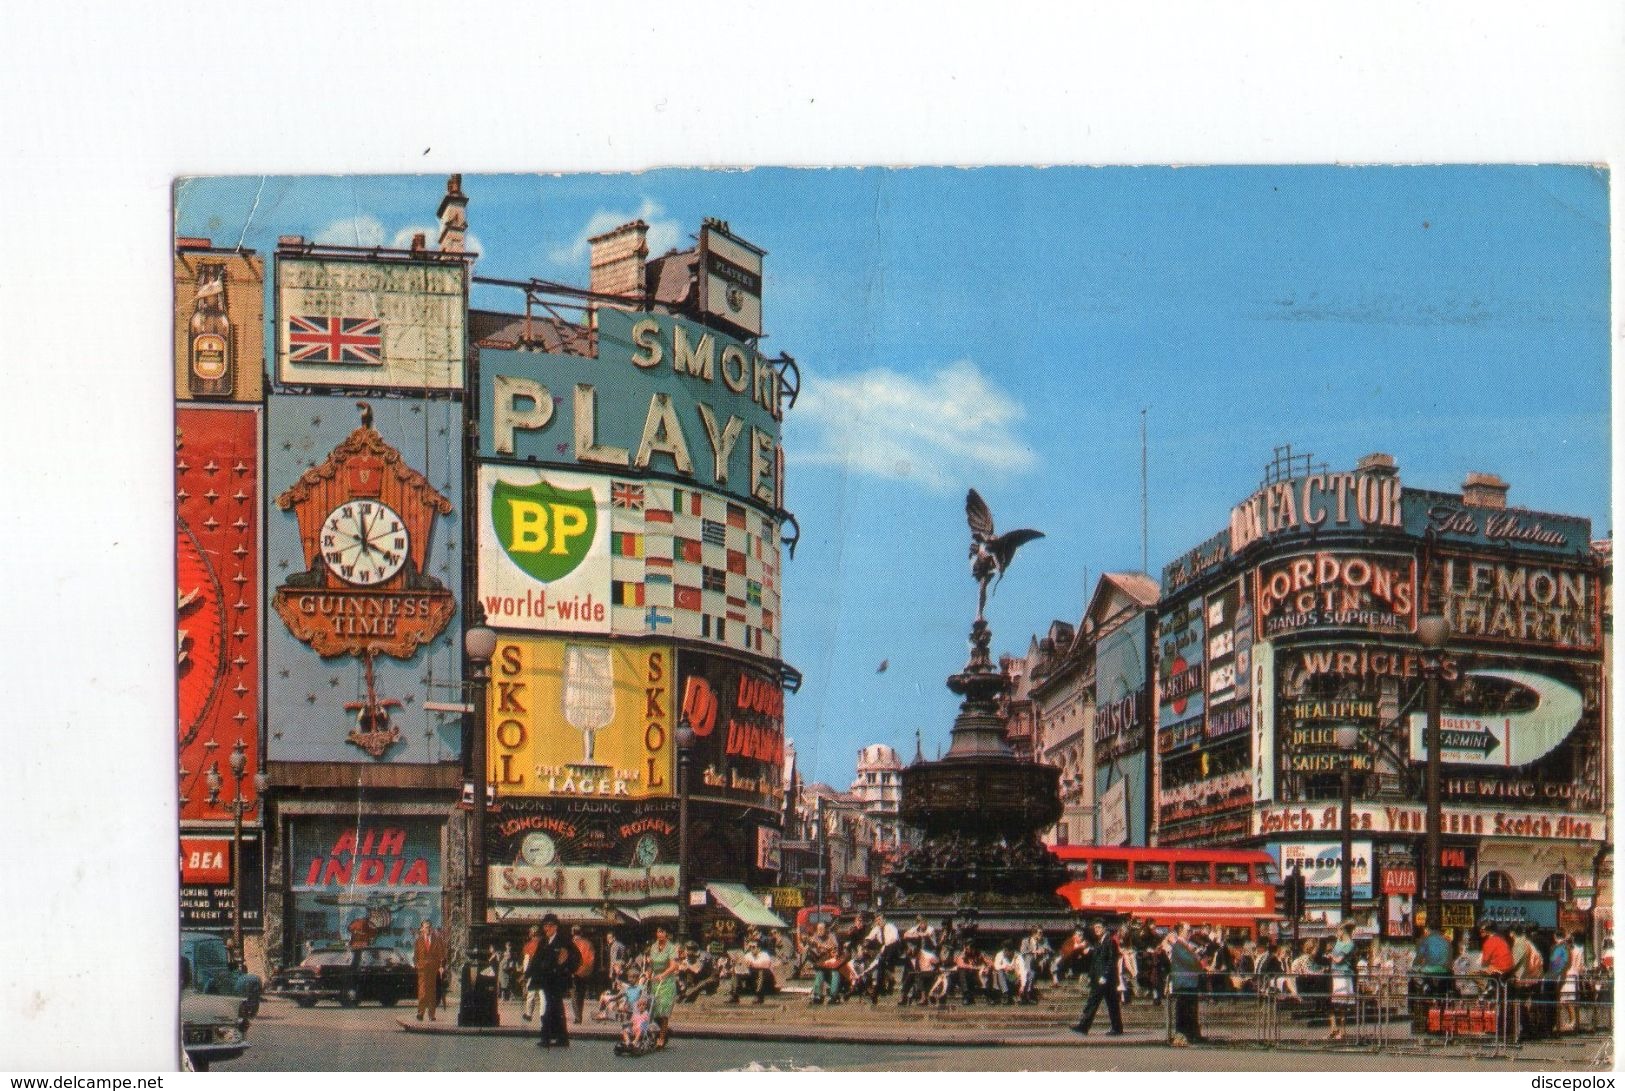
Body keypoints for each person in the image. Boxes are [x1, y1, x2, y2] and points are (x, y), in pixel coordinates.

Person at [526, 913, 580, 1049]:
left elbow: (576, 957)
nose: (546, 929)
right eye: (545, 926)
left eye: (549, 926)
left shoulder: (564, 940)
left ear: (555, 927)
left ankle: (546, 1037)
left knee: (550, 1007)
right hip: (546, 980)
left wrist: (567, 968)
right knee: (556, 1008)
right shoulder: (543, 941)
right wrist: (528, 974)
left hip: (558, 980)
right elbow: (536, 961)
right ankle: (562, 1038)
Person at [1071, 921, 1124, 1036]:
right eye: (1095, 927)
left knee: (1094, 1002)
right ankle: (1117, 1028)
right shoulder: (1099, 942)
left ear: (1105, 928)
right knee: (1111, 1003)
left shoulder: (1109, 941)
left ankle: (1083, 1026)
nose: (1097, 929)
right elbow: (1096, 959)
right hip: (1099, 978)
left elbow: (1111, 959)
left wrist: (1105, 975)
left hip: (1105, 978)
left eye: (1099, 927)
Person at [1165, 922, 1205, 1044]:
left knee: (1192, 1010)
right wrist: (1199, 962)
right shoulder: (1178, 945)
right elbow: (1190, 961)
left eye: (1191, 931)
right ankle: (1183, 1035)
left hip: (1190, 981)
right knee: (1184, 1010)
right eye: (1188, 931)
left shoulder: (1186, 945)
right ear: (1181, 931)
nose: (1190, 933)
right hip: (1183, 982)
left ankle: (1193, 1034)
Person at [646, 925, 681, 1048]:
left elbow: (673, 966)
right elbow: (651, 965)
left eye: (662, 931)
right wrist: (647, 974)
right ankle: (662, 1032)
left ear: (667, 934)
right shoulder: (653, 947)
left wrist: (663, 974)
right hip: (656, 982)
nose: (659, 934)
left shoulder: (672, 948)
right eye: (658, 931)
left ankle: (661, 1038)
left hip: (667, 982)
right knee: (654, 1011)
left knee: (664, 1012)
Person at [1326, 923, 1356, 1041]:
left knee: (1342, 1004)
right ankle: (1336, 1029)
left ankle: (1342, 1030)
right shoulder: (1339, 942)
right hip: (1335, 974)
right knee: (1336, 1004)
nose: (1336, 933)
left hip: (1343, 975)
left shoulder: (1349, 944)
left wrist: (1330, 956)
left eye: (1338, 931)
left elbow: (1338, 959)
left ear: (1343, 931)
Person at [412, 920, 446, 1022]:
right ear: (422, 929)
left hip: (433, 969)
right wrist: (417, 965)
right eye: (426, 927)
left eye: (429, 927)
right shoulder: (418, 941)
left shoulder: (437, 939)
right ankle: (420, 1013)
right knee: (422, 991)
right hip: (422, 969)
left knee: (431, 992)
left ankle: (431, 1015)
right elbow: (415, 956)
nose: (428, 929)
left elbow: (441, 955)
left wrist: (441, 967)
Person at [729, 937, 778, 1003]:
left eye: (753, 947)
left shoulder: (764, 955)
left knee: (761, 971)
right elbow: (742, 964)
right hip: (752, 974)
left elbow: (765, 965)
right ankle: (734, 996)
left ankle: (759, 996)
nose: (751, 949)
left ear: (759, 948)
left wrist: (751, 964)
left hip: (766, 977)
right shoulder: (748, 955)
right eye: (750, 947)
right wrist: (735, 963)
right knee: (736, 971)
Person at [1413, 922, 1453, 999]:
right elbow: (1450, 960)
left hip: (1429, 972)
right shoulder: (1447, 941)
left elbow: (1419, 958)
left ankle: (1422, 994)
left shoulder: (1425, 940)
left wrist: (1414, 965)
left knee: (1413, 974)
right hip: (1445, 973)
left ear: (1428, 929)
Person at [805, 922, 841, 1005]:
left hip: (831, 961)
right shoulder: (814, 938)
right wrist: (819, 947)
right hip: (821, 962)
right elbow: (813, 951)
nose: (820, 931)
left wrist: (826, 948)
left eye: (822, 929)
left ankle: (834, 996)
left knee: (835, 972)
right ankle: (818, 995)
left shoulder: (831, 936)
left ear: (826, 930)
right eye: (818, 929)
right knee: (820, 972)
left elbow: (835, 950)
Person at [569, 926, 596, 1024]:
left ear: (573, 932)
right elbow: (591, 959)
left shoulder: (571, 944)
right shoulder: (588, 943)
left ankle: (577, 1017)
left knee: (574, 995)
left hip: (574, 973)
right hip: (585, 972)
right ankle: (579, 1015)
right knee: (581, 994)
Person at [519, 925, 543, 1022]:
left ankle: (529, 1014)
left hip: (533, 973)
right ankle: (543, 1015)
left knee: (531, 995)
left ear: (532, 934)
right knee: (543, 995)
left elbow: (526, 961)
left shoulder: (528, 945)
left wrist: (525, 974)